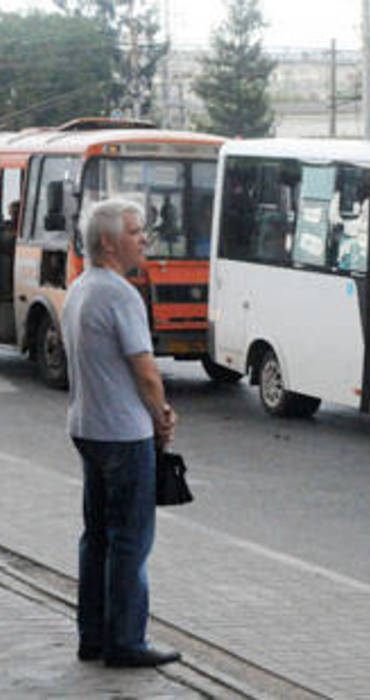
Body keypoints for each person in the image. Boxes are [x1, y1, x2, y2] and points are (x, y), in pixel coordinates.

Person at [62, 199, 180, 668]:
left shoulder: (80, 288)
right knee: (131, 539)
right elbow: (145, 372)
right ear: (109, 242)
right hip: (124, 433)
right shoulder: (120, 294)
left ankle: (92, 635)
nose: (143, 240)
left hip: (87, 427)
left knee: (97, 537)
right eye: (135, 232)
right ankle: (127, 641)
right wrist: (161, 416)